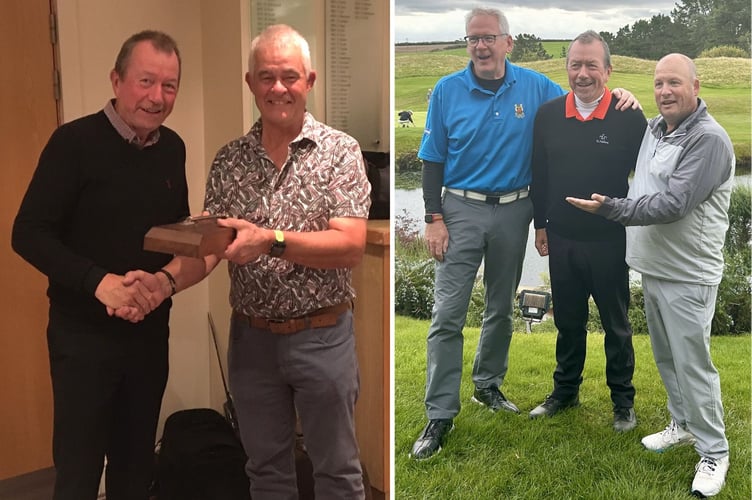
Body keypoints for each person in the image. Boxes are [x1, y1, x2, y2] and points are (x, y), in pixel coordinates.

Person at [149, 24, 369, 498]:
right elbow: (210, 249)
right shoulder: (229, 160)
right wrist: (160, 285)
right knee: (265, 471)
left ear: (309, 81)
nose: (278, 88)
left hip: (323, 337)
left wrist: (270, 240)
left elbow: (349, 246)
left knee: (338, 472)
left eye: (289, 76)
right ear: (250, 83)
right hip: (251, 341)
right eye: (266, 77)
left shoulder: (340, 152)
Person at [410, 6, 639, 460]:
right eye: (473, 38)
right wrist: (433, 217)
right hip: (459, 209)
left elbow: (586, 95)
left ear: (507, 42)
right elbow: (432, 158)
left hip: (515, 210)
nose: (481, 45)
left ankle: (488, 386)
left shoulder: (535, 87)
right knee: (448, 314)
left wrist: (624, 95)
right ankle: (439, 413)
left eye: (489, 37)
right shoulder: (446, 89)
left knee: (500, 307)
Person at [11, 30, 199, 500]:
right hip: (83, 342)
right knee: (77, 472)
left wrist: (160, 283)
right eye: (145, 81)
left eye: (170, 85)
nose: (157, 97)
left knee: (136, 468)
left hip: (149, 336)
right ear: (117, 80)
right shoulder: (72, 143)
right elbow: (28, 233)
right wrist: (100, 283)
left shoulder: (173, 148)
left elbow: (175, 234)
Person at [566, 53, 734, 498]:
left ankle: (714, 451)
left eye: (674, 83)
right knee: (667, 358)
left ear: (695, 86)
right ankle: (681, 423)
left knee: (694, 365)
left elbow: (673, 204)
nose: (665, 92)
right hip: (655, 268)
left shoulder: (709, 141)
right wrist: (617, 94)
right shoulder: (656, 130)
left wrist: (611, 208)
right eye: (658, 83)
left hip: (689, 274)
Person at [528, 30, 646, 432]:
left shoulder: (629, 116)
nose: (582, 73)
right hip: (561, 237)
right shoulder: (548, 115)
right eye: (575, 64)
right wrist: (540, 225)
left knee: (616, 323)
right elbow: (538, 175)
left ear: (608, 70)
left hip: (609, 239)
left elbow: (649, 175)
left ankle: (623, 403)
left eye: (591, 65)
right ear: (567, 68)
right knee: (569, 321)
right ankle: (565, 392)